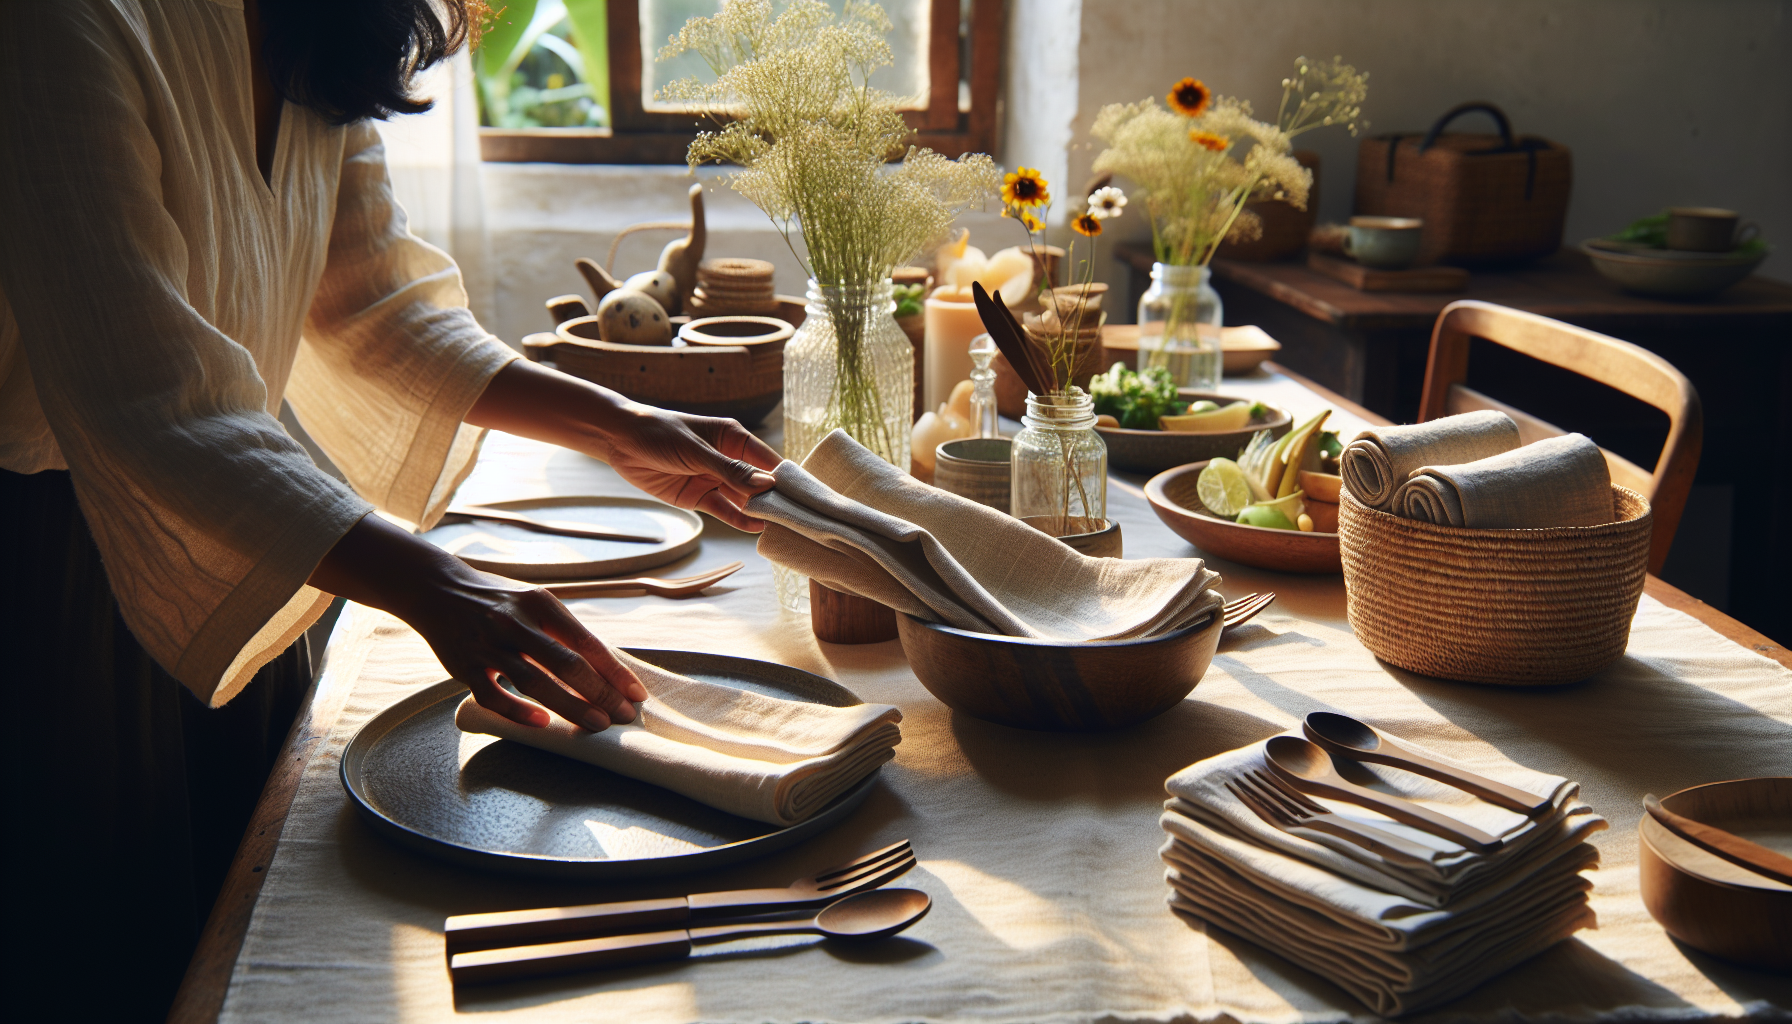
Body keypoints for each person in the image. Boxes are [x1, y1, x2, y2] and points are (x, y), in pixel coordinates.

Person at [0, 2, 779, 1019]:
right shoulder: (59, 25)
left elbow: (374, 301)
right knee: (117, 945)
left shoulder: (319, 20)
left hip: (258, 519)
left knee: (257, 923)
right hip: (68, 558)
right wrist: (435, 579)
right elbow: (143, 394)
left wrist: (618, 421)